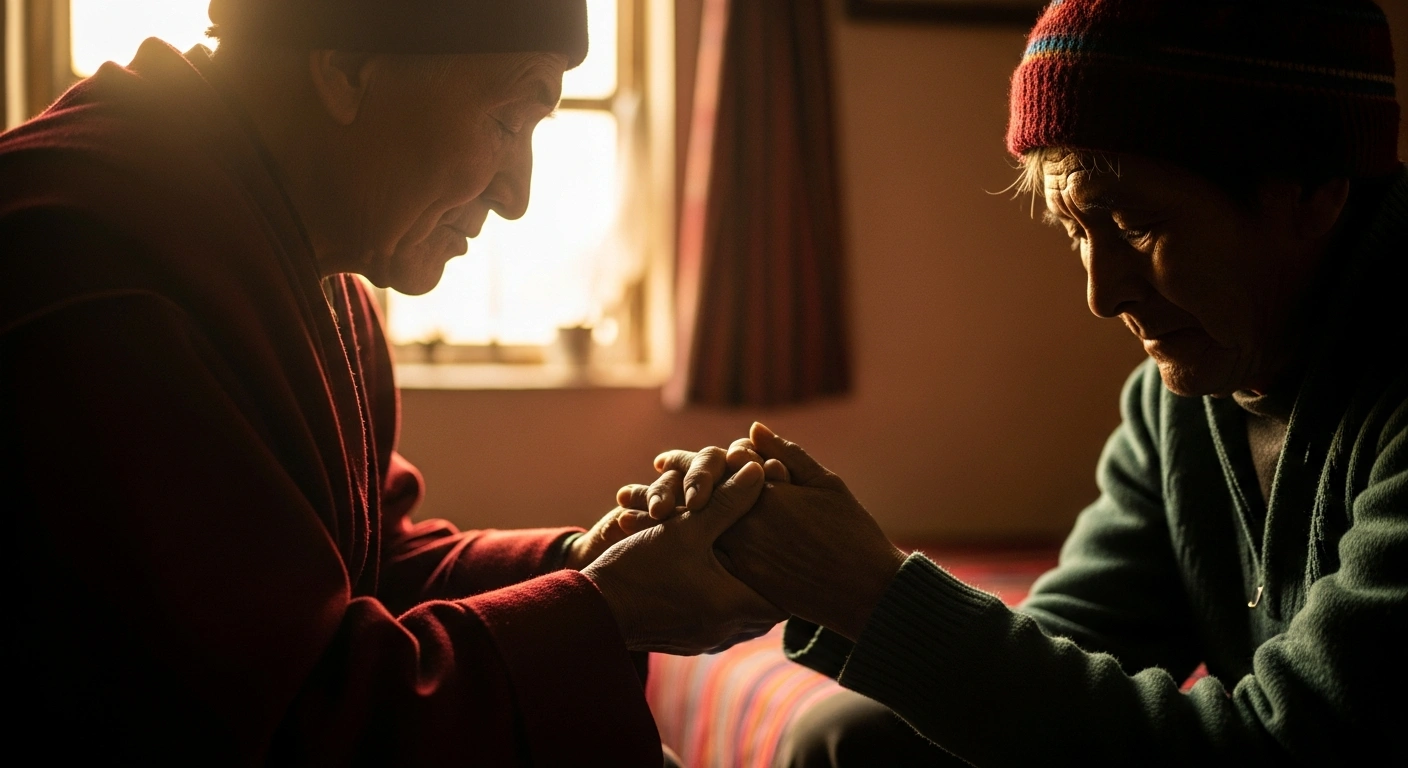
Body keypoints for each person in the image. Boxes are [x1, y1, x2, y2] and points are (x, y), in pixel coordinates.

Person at [617, 0, 1407, 764]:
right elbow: (1066, 645)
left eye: (1137, 225)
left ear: (1313, 190)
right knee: (852, 740)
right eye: (1077, 231)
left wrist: (872, 589)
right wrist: (805, 563)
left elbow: (1279, 747)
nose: (1103, 295)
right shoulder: (1181, 403)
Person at [0, 0, 781, 763]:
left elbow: (371, 570)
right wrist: (610, 611)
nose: (518, 196)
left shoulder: (305, 255)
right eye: (509, 121)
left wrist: (584, 560)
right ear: (343, 67)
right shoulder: (92, 262)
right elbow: (283, 718)